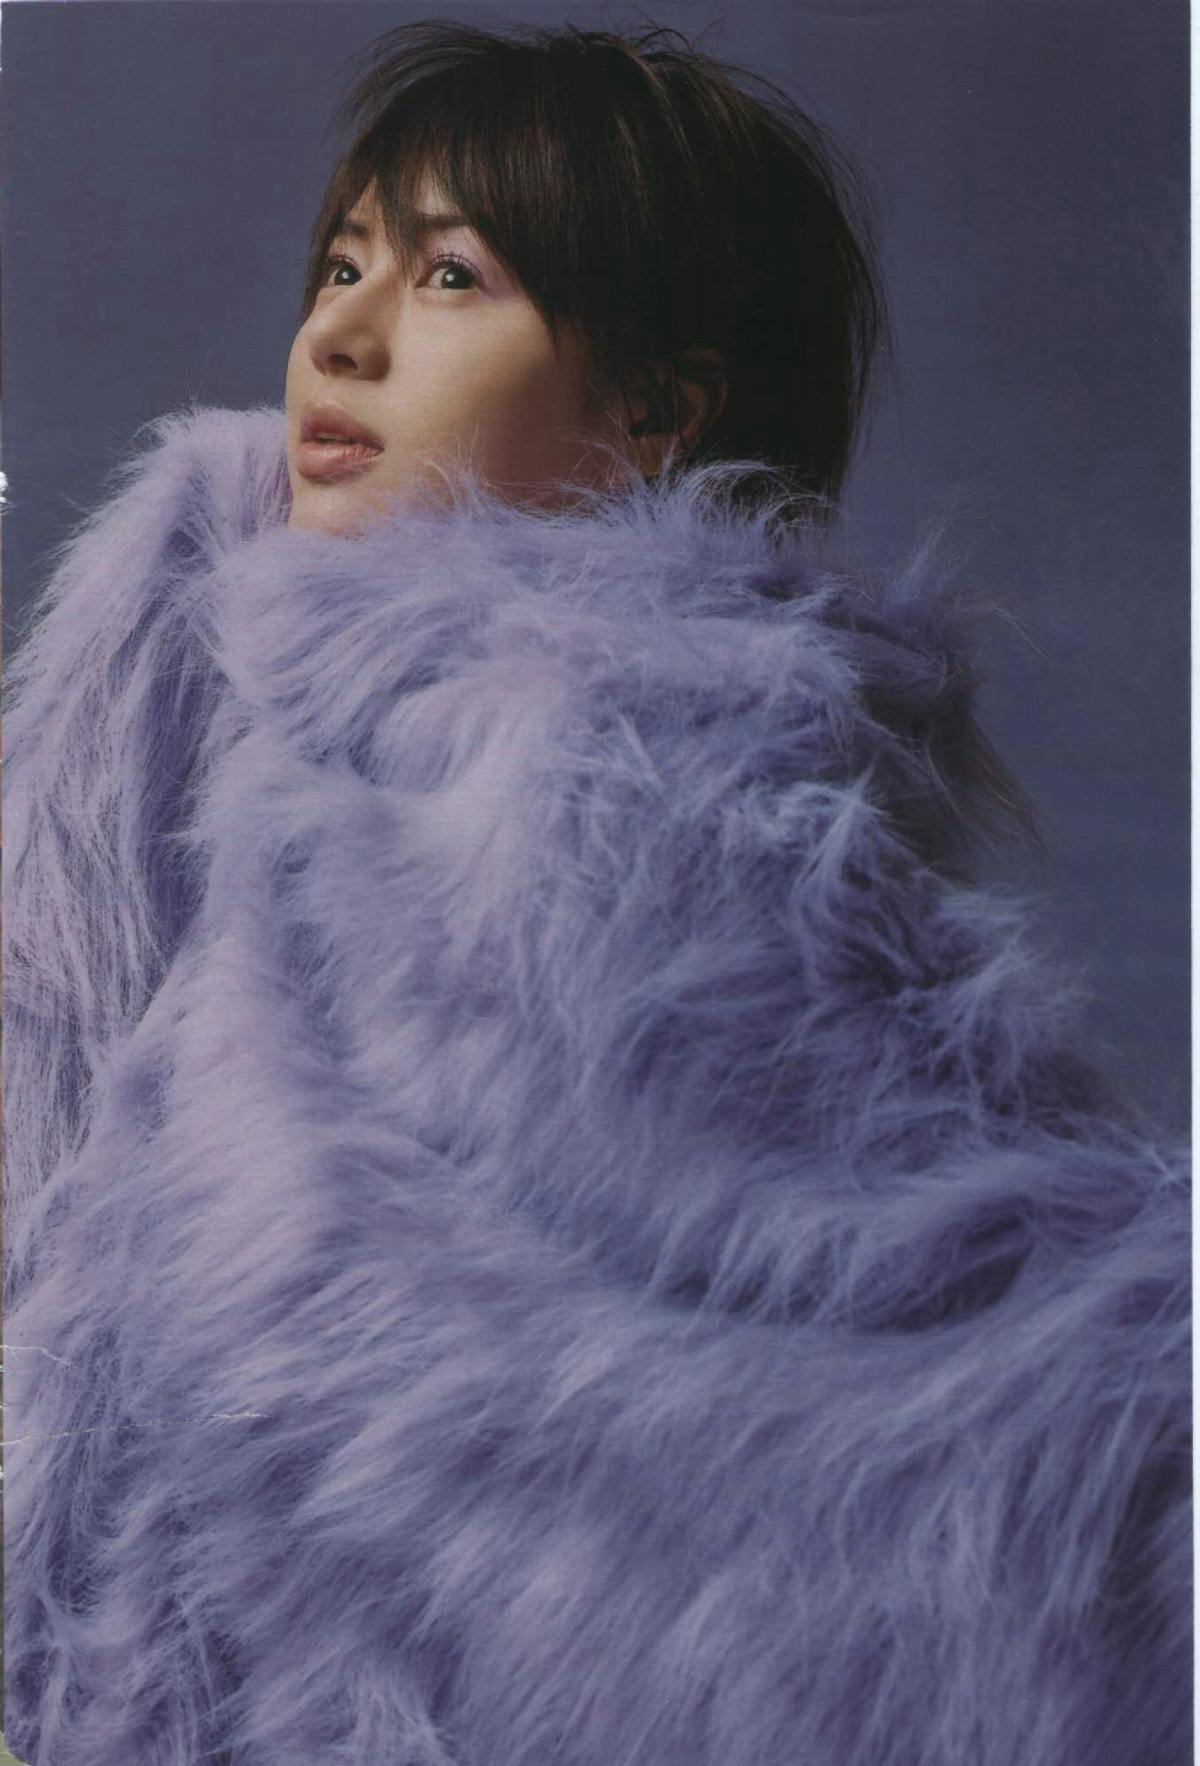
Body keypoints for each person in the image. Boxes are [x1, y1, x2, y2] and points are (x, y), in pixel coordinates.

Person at [3, 20, 1189, 1766]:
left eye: (450, 276)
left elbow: (855, 1369)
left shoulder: (670, 809)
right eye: (342, 263)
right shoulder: (191, 720)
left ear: (651, 409)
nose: (339, 334)